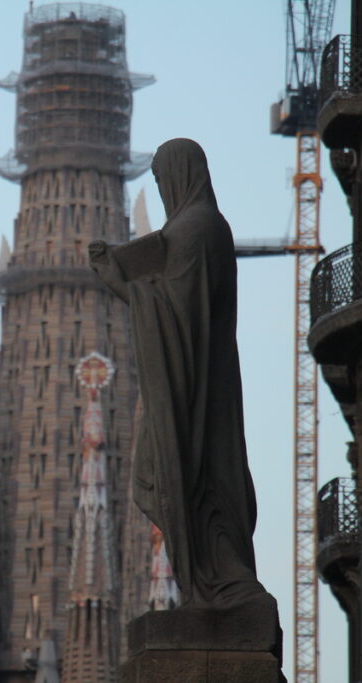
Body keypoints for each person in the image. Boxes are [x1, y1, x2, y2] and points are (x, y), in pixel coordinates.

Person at [89, 138, 265, 609]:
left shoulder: (195, 229)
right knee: (185, 479)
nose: (163, 189)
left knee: (181, 476)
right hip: (208, 379)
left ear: (181, 175)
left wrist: (122, 285)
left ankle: (219, 578)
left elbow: (177, 310)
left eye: (164, 179)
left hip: (198, 390)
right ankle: (214, 578)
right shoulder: (204, 227)